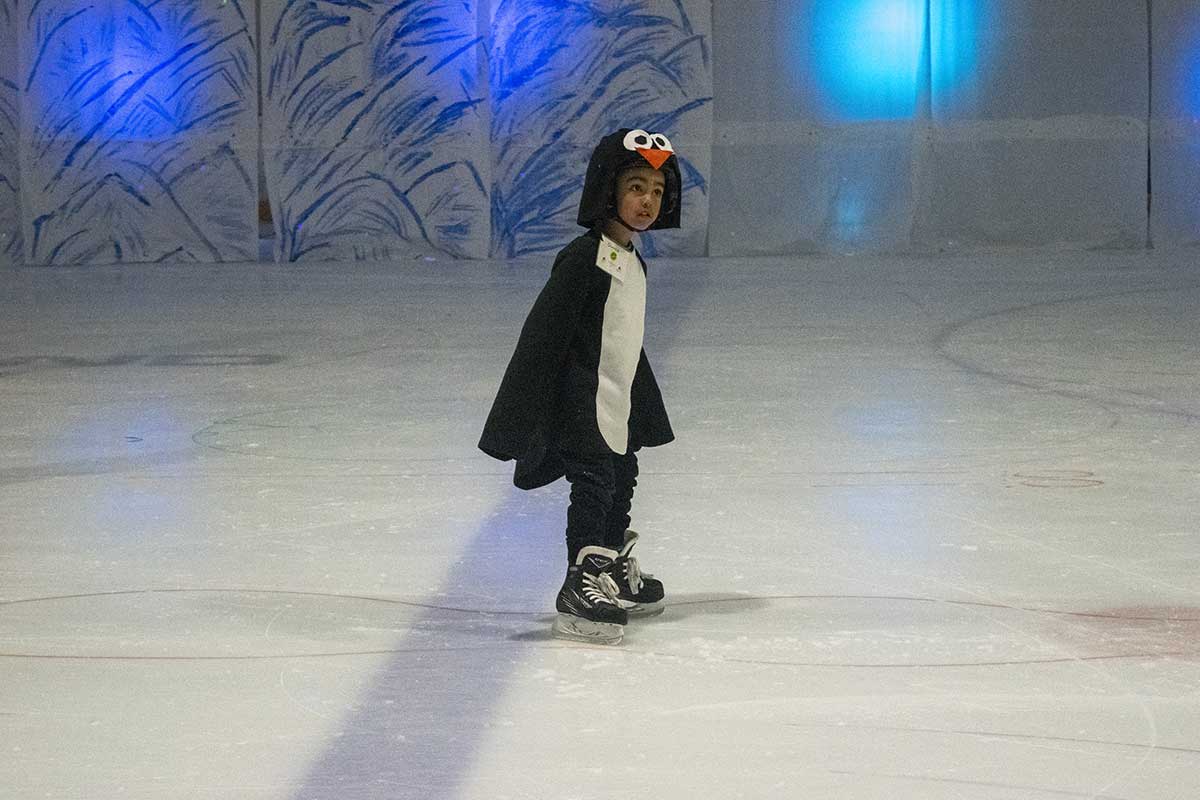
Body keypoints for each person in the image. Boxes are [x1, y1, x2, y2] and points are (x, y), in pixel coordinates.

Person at [478, 128, 682, 644]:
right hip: (582, 400)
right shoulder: (583, 258)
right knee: (593, 484)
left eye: (657, 190)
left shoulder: (630, 258)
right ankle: (580, 583)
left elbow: (623, 336)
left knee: (622, 475)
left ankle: (608, 567)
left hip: (616, 399)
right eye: (636, 187)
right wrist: (517, 417)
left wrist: (641, 401)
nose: (647, 201)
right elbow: (543, 335)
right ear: (607, 189)